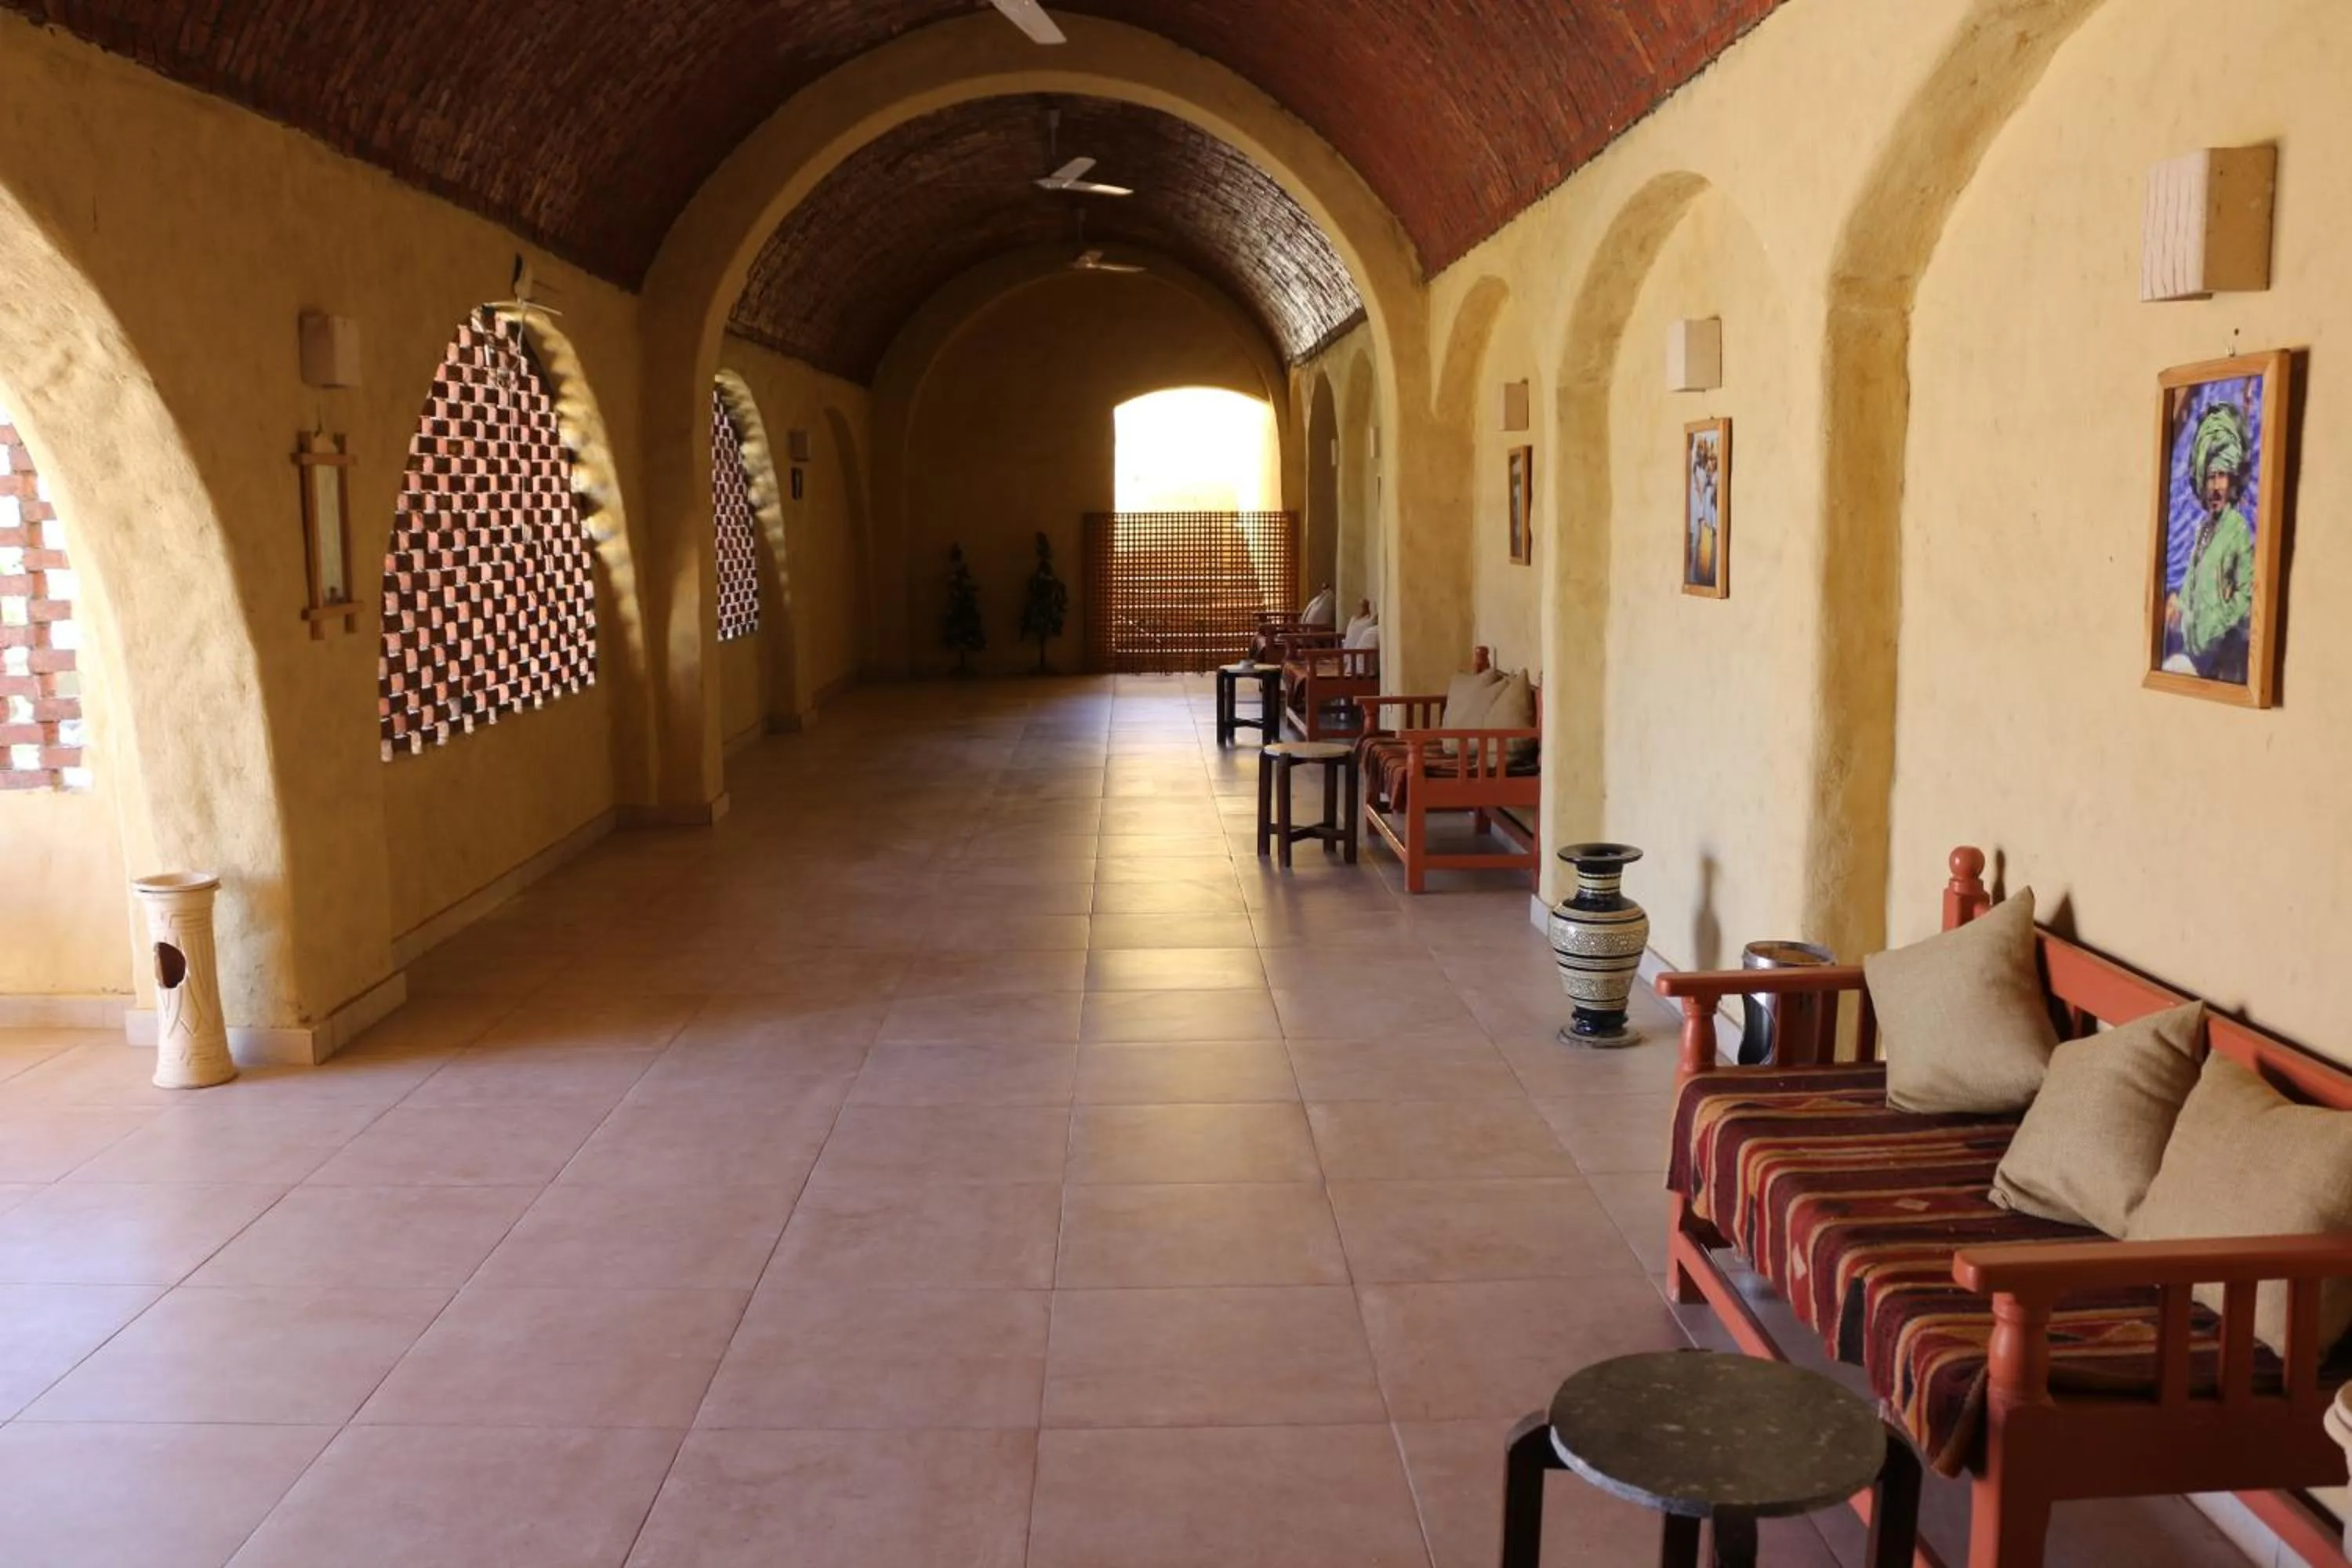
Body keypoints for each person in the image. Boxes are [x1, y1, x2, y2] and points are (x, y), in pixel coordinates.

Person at [2165, 402, 2256, 684]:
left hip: (2218, 661)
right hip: (2191, 654)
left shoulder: (2238, 531)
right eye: (2209, 477)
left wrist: (2214, 625)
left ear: (2231, 479)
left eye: (2221, 476)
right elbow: (2191, 587)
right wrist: (2177, 605)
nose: (2215, 486)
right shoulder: (2203, 530)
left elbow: (2246, 598)